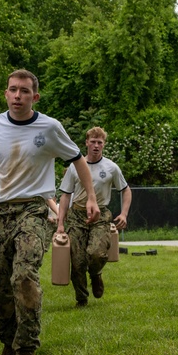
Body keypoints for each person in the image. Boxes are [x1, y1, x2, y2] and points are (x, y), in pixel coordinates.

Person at [0, 70, 99, 355]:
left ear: (35, 96)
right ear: (5, 94)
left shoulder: (50, 127)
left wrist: (93, 197)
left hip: (32, 209)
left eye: (24, 91)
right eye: (12, 90)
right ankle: (9, 341)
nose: (17, 96)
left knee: (24, 276)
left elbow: (77, 159)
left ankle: (28, 349)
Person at [56, 126, 130, 307]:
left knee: (96, 254)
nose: (96, 146)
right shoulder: (75, 167)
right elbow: (65, 195)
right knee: (78, 260)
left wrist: (124, 213)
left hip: (101, 215)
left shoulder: (111, 167)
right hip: (77, 215)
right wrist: (60, 223)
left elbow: (126, 190)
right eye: (93, 142)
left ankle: (96, 274)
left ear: (103, 145)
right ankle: (81, 299)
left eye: (100, 142)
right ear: (87, 143)